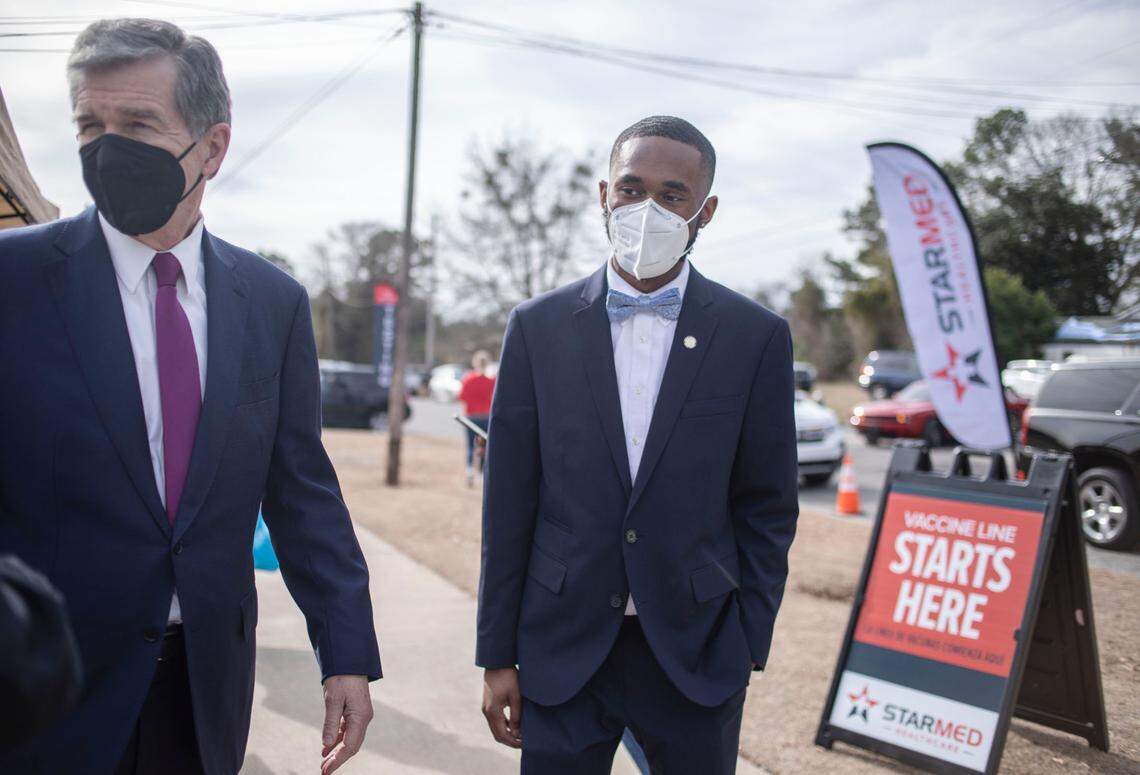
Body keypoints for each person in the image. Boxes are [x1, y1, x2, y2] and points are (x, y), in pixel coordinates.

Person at [0, 19, 381, 775]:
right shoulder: (14, 281)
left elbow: (301, 487)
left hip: (203, 687)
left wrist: (345, 651)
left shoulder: (271, 301)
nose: (106, 146)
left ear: (212, 145)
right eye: (89, 123)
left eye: (137, 123)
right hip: (41, 693)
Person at [476, 116, 799, 774]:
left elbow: (768, 504)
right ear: (603, 195)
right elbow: (508, 504)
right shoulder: (536, 328)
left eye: (673, 195)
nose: (647, 208)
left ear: (704, 211)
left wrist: (745, 640)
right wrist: (497, 653)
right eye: (631, 188)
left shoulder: (754, 336)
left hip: (696, 652)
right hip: (561, 646)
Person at [458, 350, 496, 486]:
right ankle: (480, 474)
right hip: (485, 417)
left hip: (471, 417)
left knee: (470, 446)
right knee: (482, 446)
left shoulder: (468, 379)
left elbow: (461, 397)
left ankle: (469, 471)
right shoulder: (492, 381)